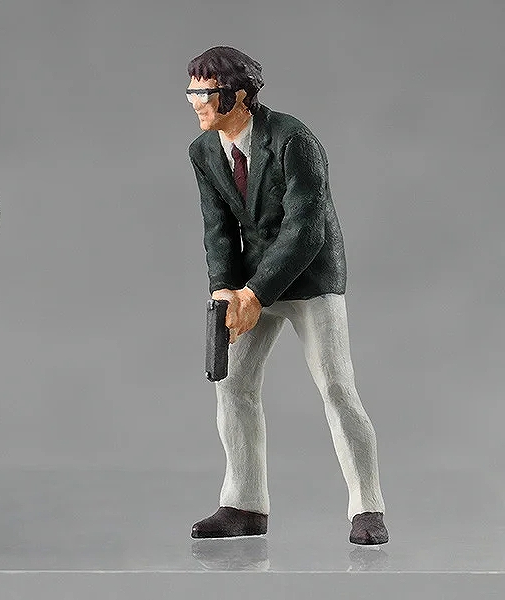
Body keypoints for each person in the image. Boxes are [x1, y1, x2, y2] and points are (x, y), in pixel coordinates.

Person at [186, 46, 388, 545]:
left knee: (336, 387)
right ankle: (244, 503)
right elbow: (217, 229)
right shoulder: (204, 151)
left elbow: (305, 230)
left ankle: (368, 507)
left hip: (311, 278)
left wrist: (254, 294)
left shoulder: (294, 139)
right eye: (191, 92)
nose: (195, 102)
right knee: (231, 385)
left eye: (205, 93)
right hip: (251, 284)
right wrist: (224, 290)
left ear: (239, 96)